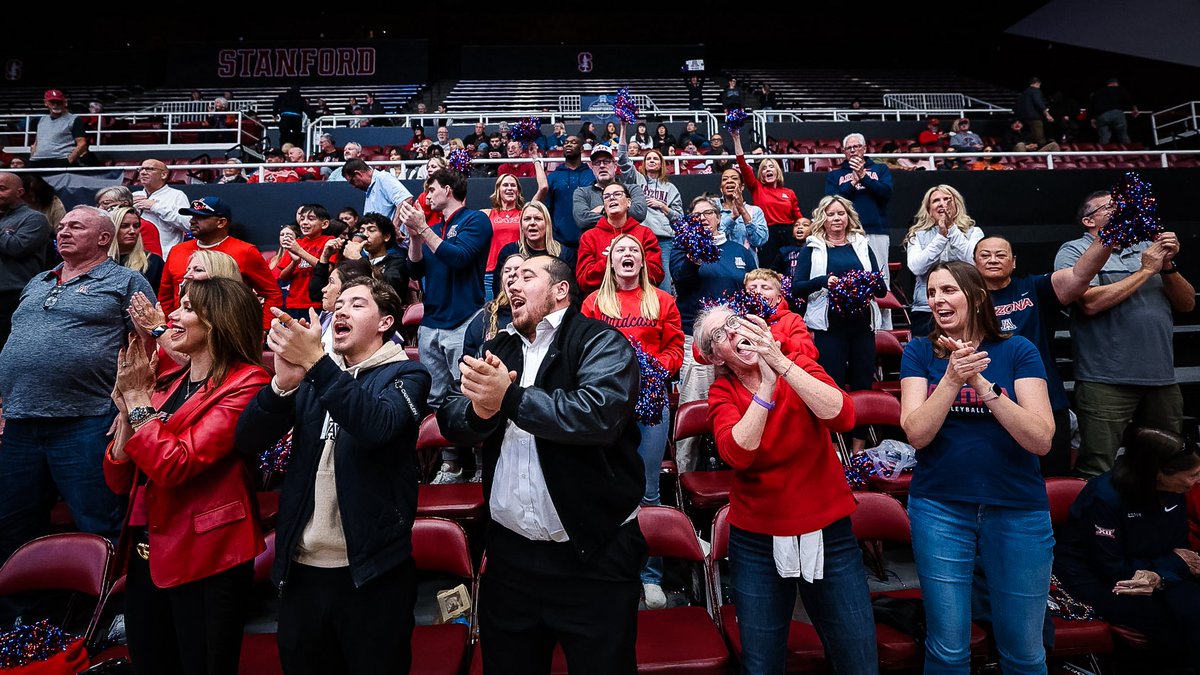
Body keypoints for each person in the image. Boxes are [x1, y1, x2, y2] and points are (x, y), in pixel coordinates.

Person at [438, 255, 645, 675]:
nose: (512, 284)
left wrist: (508, 399)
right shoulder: (498, 347)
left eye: (526, 276)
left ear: (560, 290)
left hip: (593, 560)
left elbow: (598, 414)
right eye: (509, 278)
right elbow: (450, 413)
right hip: (510, 563)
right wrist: (481, 413)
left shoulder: (600, 341)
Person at [236, 278, 431, 675]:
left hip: (372, 573)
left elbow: (374, 425)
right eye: (338, 304)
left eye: (356, 305)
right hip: (303, 569)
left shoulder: (408, 376)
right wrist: (282, 384)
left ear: (385, 322)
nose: (340, 311)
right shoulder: (313, 377)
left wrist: (318, 366)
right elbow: (246, 438)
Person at [696, 303, 875, 675]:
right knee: (761, 663)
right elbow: (737, 454)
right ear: (716, 358)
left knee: (857, 656)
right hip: (757, 539)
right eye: (718, 335)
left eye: (733, 322)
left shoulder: (795, 362)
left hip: (829, 531)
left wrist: (781, 365)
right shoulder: (722, 393)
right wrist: (765, 387)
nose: (731, 333)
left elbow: (844, 417)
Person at [104, 278, 270, 675]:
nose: (172, 317)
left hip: (206, 556)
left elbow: (174, 465)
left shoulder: (247, 382)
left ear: (218, 321)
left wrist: (140, 401)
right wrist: (128, 410)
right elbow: (119, 478)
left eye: (187, 309)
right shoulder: (168, 382)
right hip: (147, 554)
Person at [899, 261, 1054, 674]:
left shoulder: (1018, 350)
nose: (937, 300)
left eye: (948, 290)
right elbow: (916, 433)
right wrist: (951, 380)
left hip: (1017, 508)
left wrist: (982, 385)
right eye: (932, 292)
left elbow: (1040, 439)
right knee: (949, 648)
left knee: (1025, 650)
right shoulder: (918, 351)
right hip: (940, 507)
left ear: (977, 297)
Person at [0, 206, 156, 581]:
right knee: (12, 524)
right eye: (62, 226)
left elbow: (150, 347)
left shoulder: (126, 282)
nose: (63, 231)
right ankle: (24, 620)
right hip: (20, 422)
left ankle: (110, 611)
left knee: (100, 520)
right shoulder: (38, 280)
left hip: (87, 420)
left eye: (76, 226)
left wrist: (130, 406)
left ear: (104, 238)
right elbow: (15, 344)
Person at [1054, 191, 1195, 477]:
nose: (1120, 209)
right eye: (1110, 206)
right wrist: (1145, 271)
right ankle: (1101, 523)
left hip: (1161, 378)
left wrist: (1167, 266)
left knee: (1167, 462)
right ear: (1088, 220)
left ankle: (1160, 519)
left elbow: (1187, 303)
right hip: (1104, 379)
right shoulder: (1075, 251)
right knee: (1098, 465)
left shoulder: (1148, 247)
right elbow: (1089, 302)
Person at [582, 233, 684, 610]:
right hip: (607, 405)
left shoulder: (662, 300)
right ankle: (613, 569)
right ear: (610, 261)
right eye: (621, 250)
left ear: (643, 261)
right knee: (605, 488)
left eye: (634, 251)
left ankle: (650, 575)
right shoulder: (594, 302)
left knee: (648, 491)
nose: (628, 255)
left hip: (652, 404)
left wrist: (657, 367)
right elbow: (583, 350)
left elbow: (676, 348)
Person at [1055, 426, 1200, 670]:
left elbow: (1180, 550)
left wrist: (1162, 575)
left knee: (1194, 610)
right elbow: (1111, 567)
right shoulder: (1105, 496)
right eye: (1192, 475)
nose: (1196, 480)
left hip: (1157, 568)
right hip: (1098, 576)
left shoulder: (1176, 490)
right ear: (1157, 474)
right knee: (1168, 627)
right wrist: (1170, 567)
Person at [975, 234, 1116, 476]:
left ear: (1014, 261)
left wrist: (1109, 235)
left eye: (1001, 255)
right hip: (989, 402)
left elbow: (1080, 274)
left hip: (1046, 401)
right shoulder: (966, 299)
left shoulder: (1033, 288)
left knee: (1051, 478)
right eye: (985, 255)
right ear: (974, 263)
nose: (993, 260)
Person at [398, 168, 491, 422]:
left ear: (448, 190)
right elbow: (415, 269)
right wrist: (416, 238)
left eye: (432, 189)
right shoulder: (433, 228)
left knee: (468, 390)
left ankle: (475, 457)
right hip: (431, 321)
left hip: (463, 319)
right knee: (435, 396)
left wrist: (424, 229)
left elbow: (459, 258)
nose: (427, 196)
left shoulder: (476, 220)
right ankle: (447, 458)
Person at [672, 195, 754, 472]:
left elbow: (752, 288)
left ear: (720, 217)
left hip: (736, 342)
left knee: (738, 408)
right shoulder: (682, 249)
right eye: (697, 215)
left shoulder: (738, 251)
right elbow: (680, 279)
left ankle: (738, 469)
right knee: (694, 408)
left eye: (709, 213)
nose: (704, 218)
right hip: (696, 343)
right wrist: (694, 258)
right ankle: (686, 473)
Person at [791, 196, 885, 409]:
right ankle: (834, 442)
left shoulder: (862, 244)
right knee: (833, 386)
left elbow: (880, 287)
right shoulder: (812, 247)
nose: (836, 218)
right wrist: (824, 281)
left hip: (862, 327)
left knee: (864, 386)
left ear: (848, 217)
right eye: (830, 214)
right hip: (830, 329)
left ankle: (860, 442)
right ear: (822, 218)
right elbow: (797, 288)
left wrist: (870, 283)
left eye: (841, 213)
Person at [159, 197, 282, 330]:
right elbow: (165, 296)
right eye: (192, 215)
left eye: (200, 216)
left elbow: (273, 294)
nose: (192, 220)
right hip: (185, 330)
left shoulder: (245, 251)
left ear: (221, 222)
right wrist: (169, 325)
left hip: (229, 331)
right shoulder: (177, 250)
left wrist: (264, 328)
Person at [825, 132, 894, 327]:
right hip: (846, 234)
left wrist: (865, 177)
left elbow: (885, 193)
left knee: (881, 277)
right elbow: (831, 201)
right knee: (850, 276)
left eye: (857, 147)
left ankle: (885, 327)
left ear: (864, 149)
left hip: (876, 230)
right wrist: (854, 182)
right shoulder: (835, 175)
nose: (853, 151)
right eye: (849, 148)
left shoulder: (880, 169)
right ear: (844, 152)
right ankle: (860, 323)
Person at [904, 185, 985, 336]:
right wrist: (940, 237)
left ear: (956, 204)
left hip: (966, 306)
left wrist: (952, 230)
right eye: (936, 200)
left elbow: (974, 262)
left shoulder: (974, 232)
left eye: (947, 199)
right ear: (929, 209)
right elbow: (916, 267)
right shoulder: (917, 235)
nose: (942, 204)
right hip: (926, 309)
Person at [730, 128, 803, 272]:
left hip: (788, 235)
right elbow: (743, 165)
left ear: (777, 171)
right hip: (767, 235)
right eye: (764, 168)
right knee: (768, 272)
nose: (768, 170)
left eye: (771, 167)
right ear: (761, 173)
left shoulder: (789, 192)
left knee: (790, 272)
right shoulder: (757, 187)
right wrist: (736, 139)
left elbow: (798, 218)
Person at [576, 183, 663, 296]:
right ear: (604, 205)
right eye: (607, 196)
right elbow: (584, 280)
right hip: (602, 300)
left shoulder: (645, 233)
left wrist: (629, 260)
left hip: (640, 299)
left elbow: (657, 275)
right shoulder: (589, 237)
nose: (612, 197)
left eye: (617, 194)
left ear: (629, 202)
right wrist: (611, 259)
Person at [0, 172, 51, 350]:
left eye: (2, 189)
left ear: (19, 192)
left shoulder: (34, 219)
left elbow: (16, 247)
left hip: (14, 295)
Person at [482, 170, 548, 301]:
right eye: (505, 185)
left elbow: (543, 187)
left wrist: (535, 159)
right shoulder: (486, 213)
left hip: (520, 271)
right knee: (490, 314)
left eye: (513, 185)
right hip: (490, 273)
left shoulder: (525, 213)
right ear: (498, 189)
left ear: (518, 191)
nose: (509, 188)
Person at [489, 200, 577, 294]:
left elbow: (573, 292)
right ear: (521, 225)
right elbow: (499, 290)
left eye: (538, 218)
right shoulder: (509, 251)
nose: (532, 223)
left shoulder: (565, 254)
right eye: (527, 219)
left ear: (547, 224)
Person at [631, 148, 683, 290]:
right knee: (637, 278)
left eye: (655, 159)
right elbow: (623, 162)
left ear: (661, 165)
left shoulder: (670, 188)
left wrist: (662, 206)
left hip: (663, 239)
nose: (652, 161)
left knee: (664, 281)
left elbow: (680, 218)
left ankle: (665, 311)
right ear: (643, 163)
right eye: (648, 159)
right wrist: (623, 129)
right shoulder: (637, 180)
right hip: (638, 236)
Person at [573, 144, 648, 240]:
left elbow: (639, 213)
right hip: (596, 248)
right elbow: (582, 220)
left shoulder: (632, 189)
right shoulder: (582, 192)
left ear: (615, 165)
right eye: (597, 162)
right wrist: (620, 211)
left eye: (606, 162)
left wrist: (602, 210)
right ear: (592, 167)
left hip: (627, 247)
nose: (602, 166)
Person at [743, 268, 817, 359]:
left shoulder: (792, 320)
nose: (758, 292)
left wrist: (775, 339)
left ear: (778, 298)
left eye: (765, 288)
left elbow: (810, 352)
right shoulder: (739, 320)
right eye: (752, 288)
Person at [277, 205, 335, 320]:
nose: (304, 222)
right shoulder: (297, 243)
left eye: (311, 218)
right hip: (293, 303)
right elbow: (282, 277)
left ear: (324, 224)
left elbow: (327, 269)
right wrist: (294, 262)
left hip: (316, 303)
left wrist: (300, 251)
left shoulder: (329, 241)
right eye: (302, 218)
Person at [464, 253, 524, 362]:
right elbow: (467, 358)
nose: (512, 273)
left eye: (518, 269)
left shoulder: (539, 314)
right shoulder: (486, 315)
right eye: (507, 270)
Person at [133, 159, 192, 258]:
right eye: (141, 169)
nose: (143, 172)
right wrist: (127, 206)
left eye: (149, 169)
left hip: (164, 256)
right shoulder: (134, 196)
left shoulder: (177, 195)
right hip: (134, 255)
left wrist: (155, 207)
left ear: (163, 175)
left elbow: (188, 224)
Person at [543, 135, 594, 247]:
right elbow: (546, 208)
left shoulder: (592, 175)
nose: (569, 144)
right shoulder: (553, 177)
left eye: (573, 142)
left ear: (581, 149)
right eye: (566, 143)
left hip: (588, 239)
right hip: (559, 240)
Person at [717, 168, 769, 264]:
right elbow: (711, 237)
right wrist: (732, 217)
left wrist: (743, 211)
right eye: (725, 179)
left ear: (742, 187)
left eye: (734, 178)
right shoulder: (713, 211)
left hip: (747, 268)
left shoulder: (755, 211)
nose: (729, 181)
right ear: (721, 188)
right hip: (721, 266)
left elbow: (760, 241)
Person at [108, 206, 164, 292]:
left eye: (136, 226)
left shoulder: (153, 262)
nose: (132, 231)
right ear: (112, 229)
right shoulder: (98, 261)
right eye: (124, 226)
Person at [342, 158, 415, 223]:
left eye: (352, 181)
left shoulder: (383, 178)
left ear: (358, 174)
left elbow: (405, 200)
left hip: (393, 237)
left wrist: (395, 227)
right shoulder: (369, 188)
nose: (354, 186)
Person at [29, 89, 88, 168]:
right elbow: (37, 142)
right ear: (46, 103)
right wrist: (32, 156)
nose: (55, 105)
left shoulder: (74, 119)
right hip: (37, 160)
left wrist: (69, 160)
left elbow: (82, 144)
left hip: (60, 159)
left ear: (65, 103)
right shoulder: (41, 120)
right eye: (52, 102)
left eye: (58, 102)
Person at [1089, 77, 1138, 145]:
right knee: (1123, 135)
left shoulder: (1097, 92)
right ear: (1115, 83)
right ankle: (1130, 152)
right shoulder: (1119, 89)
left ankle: (1103, 154)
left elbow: (1091, 106)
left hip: (1102, 115)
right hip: (1117, 114)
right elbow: (1128, 99)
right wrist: (1134, 108)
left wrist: (1092, 118)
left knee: (1104, 137)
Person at [1015, 77, 1055, 147]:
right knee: (1039, 138)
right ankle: (1043, 155)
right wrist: (1047, 115)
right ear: (1037, 84)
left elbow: (1015, 107)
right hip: (1034, 118)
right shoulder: (1036, 90)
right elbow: (1039, 102)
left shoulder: (1024, 93)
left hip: (1023, 119)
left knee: (1030, 138)